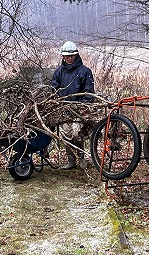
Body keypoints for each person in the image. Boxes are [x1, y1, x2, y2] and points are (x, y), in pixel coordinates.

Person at [51, 41, 95, 169]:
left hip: (79, 109)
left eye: (72, 55)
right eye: (67, 56)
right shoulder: (58, 72)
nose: (70, 58)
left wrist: (83, 106)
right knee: (66, 135)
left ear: (76, 55)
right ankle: (71, 161)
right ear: (63, 56)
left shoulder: (85, 71)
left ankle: (81, 159)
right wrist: (58, 102)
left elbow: (89, 91)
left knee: (77, 134)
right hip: (64, 109)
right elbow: (54, 89)